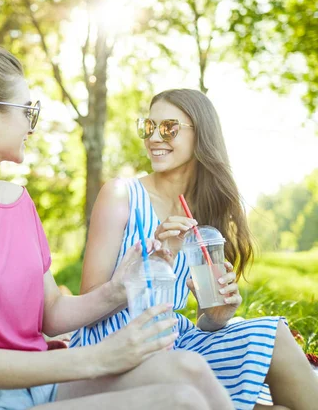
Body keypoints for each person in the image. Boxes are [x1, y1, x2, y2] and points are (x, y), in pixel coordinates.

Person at [0, 25, 235, 410]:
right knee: (179, 402)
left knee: (188, 370)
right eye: (27, 111)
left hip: (38, 387)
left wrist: (121, 285)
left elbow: (52, 313)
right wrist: (99, 358)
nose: (31, 127)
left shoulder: (18, 201)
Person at [70, 88, 318, 410]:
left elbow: (205, 320)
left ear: (200, 135)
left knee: (276, 335)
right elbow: (89, 306)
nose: (155, 138)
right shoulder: (121, 195)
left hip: (176, 341)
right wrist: (155, 258)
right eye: (149, 127)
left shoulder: (202, 211)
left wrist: (218, 314)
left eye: (169, 128)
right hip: (118, 344)